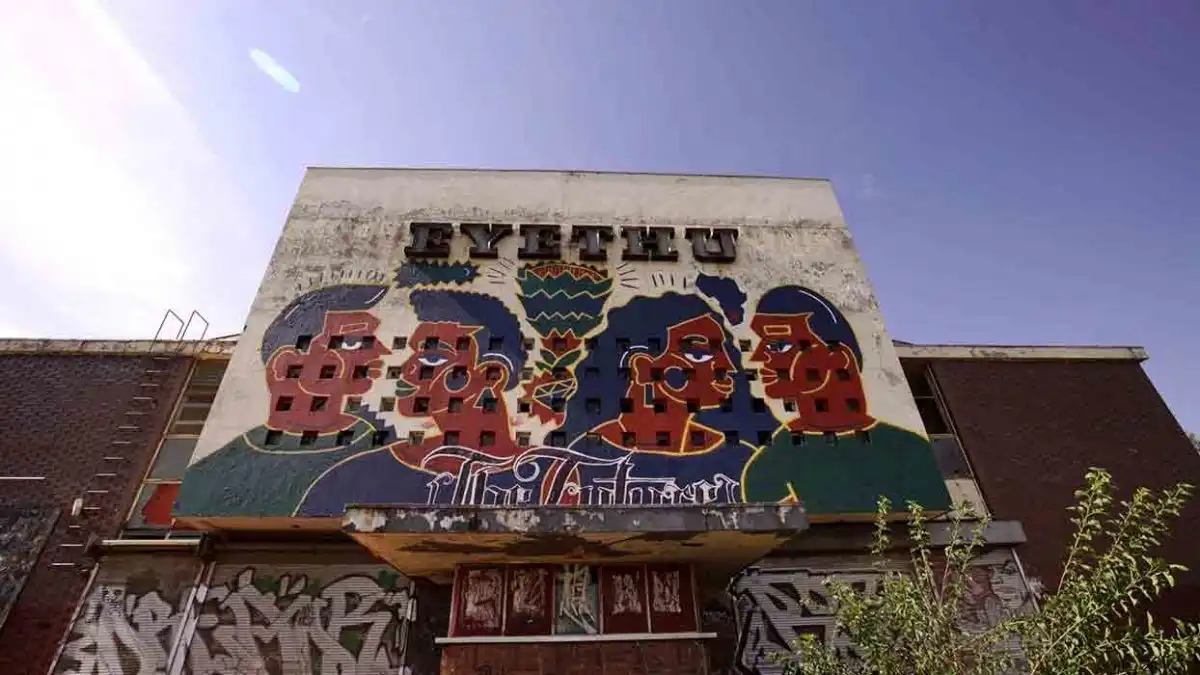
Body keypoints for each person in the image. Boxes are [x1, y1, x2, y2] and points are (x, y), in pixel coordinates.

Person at [297, 290, 527, 512]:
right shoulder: (350, 478)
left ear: (491, 376)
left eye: (433, 358)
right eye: (413, 354)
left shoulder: (552, 470)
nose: (408, 370)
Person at [173, 284, 392, 518]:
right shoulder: (210, 476)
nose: (381, 351)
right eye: (352, 342)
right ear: (285, 366)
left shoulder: (389, 453)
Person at [739, 286, 950, 513]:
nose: (758, 356)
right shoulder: (778, 453)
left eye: (779, 345)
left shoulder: (908, 450)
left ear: (836, 358)